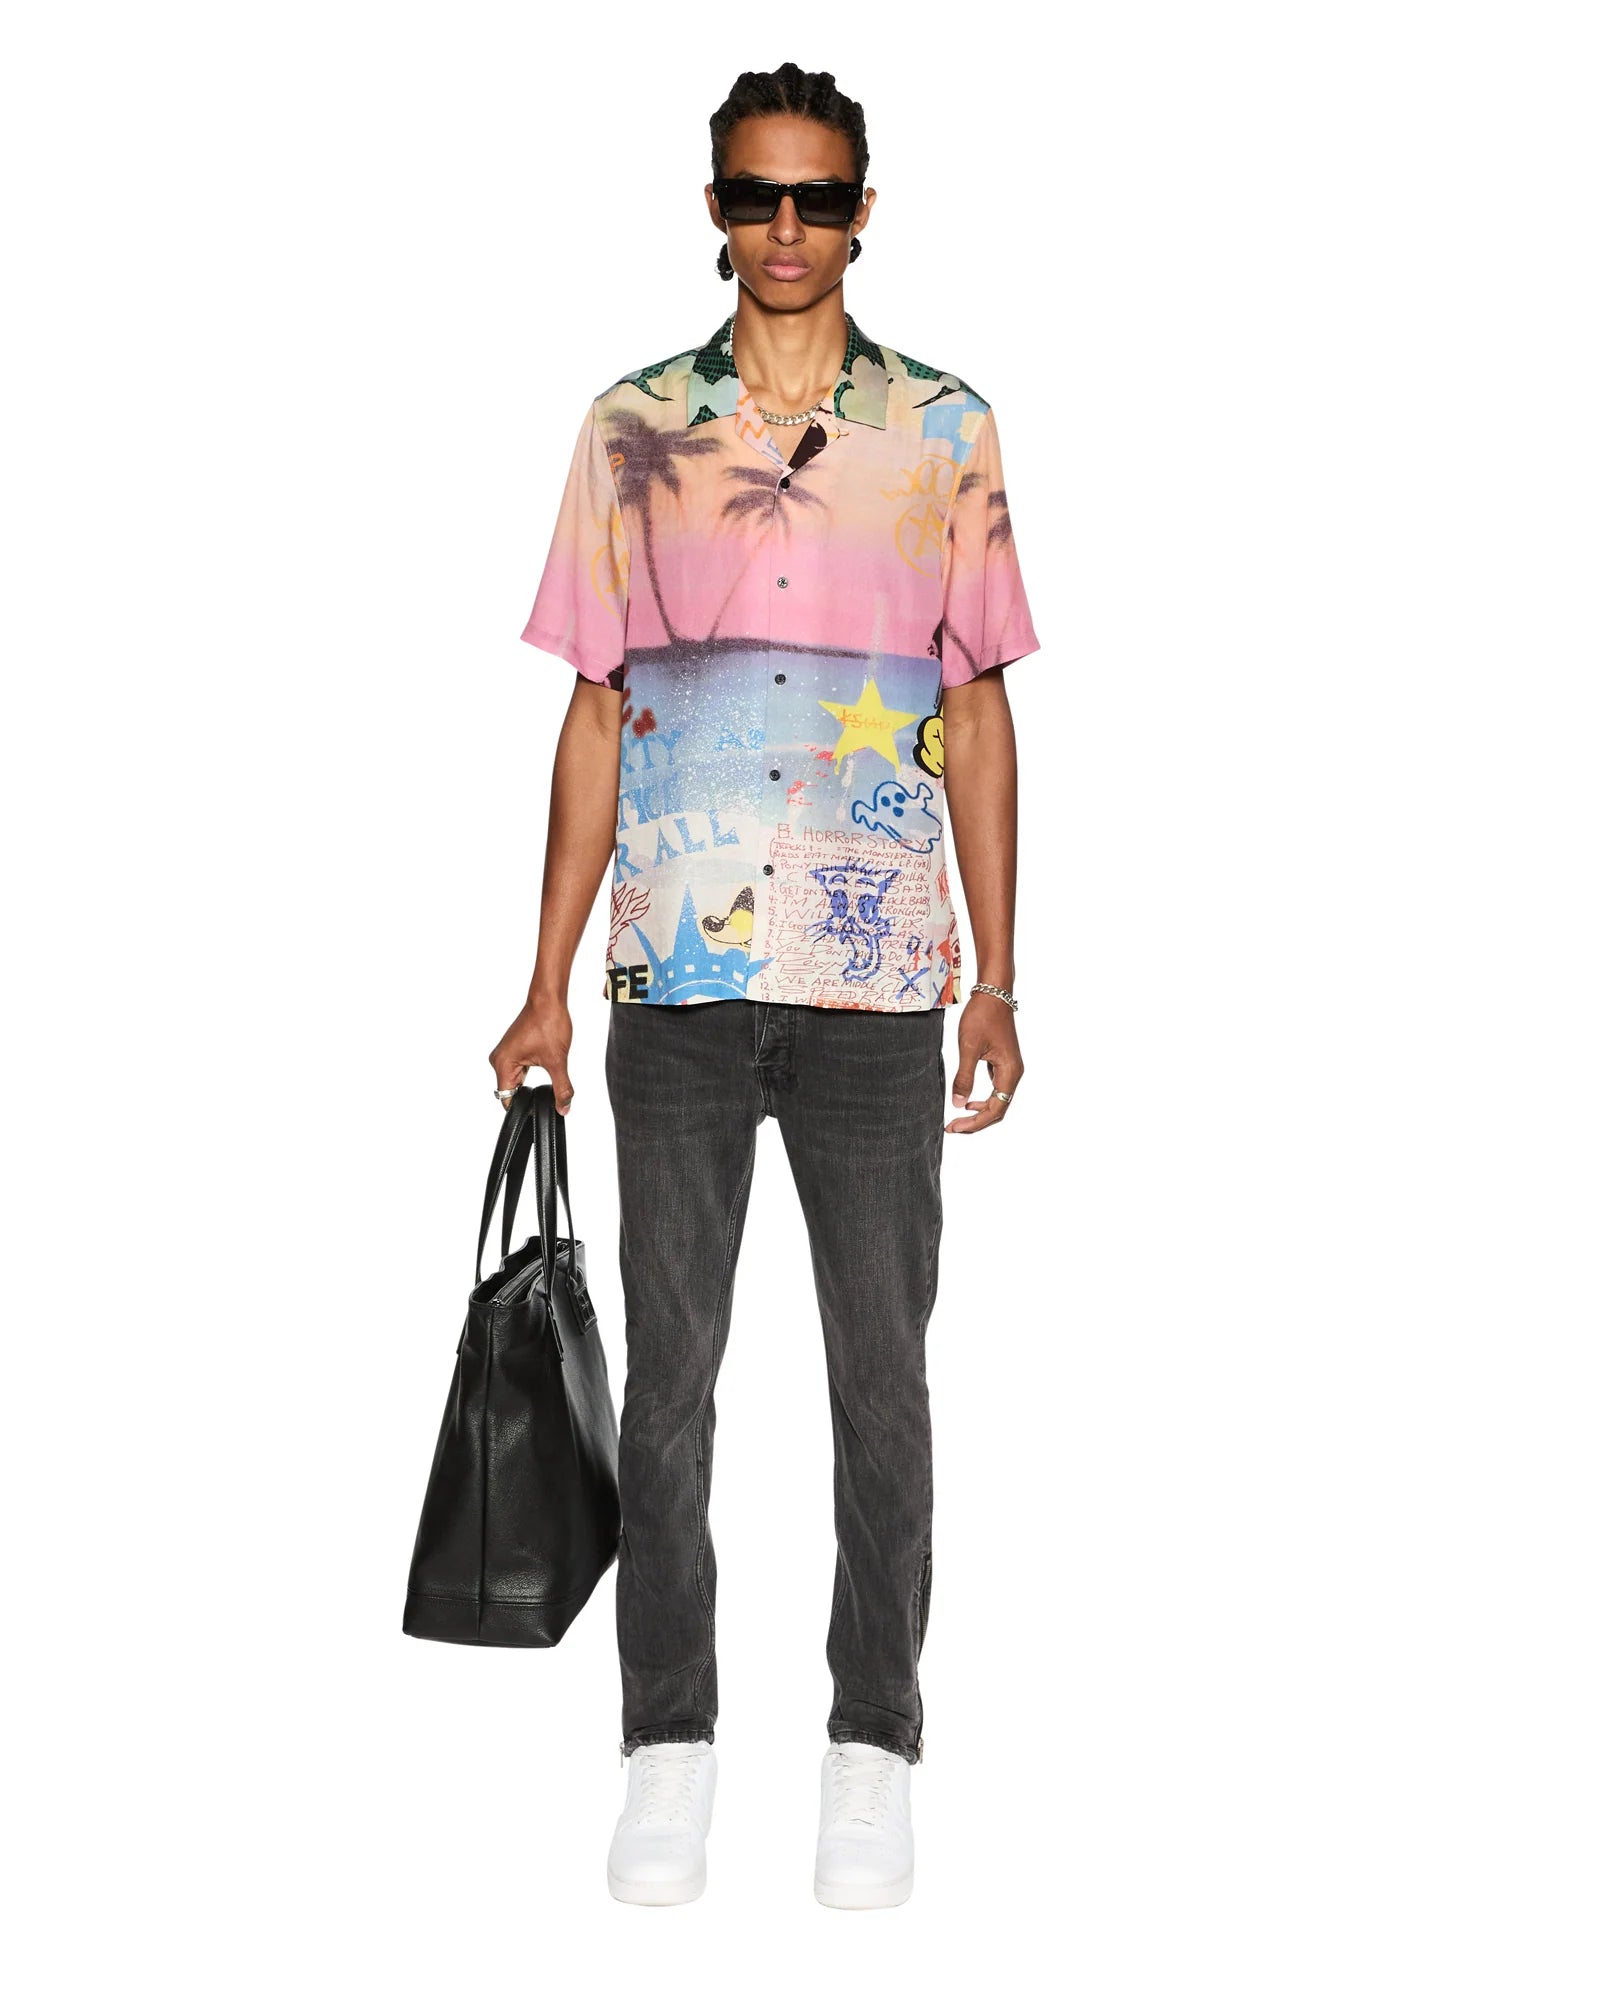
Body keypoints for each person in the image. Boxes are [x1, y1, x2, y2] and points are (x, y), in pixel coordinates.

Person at [491, 62, 1039, 1909]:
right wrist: (543, 982)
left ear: (864, 210)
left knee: (884, 1382)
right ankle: (668, 1742)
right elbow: (593, 712)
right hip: (680, 976)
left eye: (815, 199)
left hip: (881, 980)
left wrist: (1001, 975)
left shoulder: (946, 430)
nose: (784, 229)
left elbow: (980, 710)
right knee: (670, 1387)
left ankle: (873, 1741)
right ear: (714, 208)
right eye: (754, 196)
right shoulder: (630, 428)